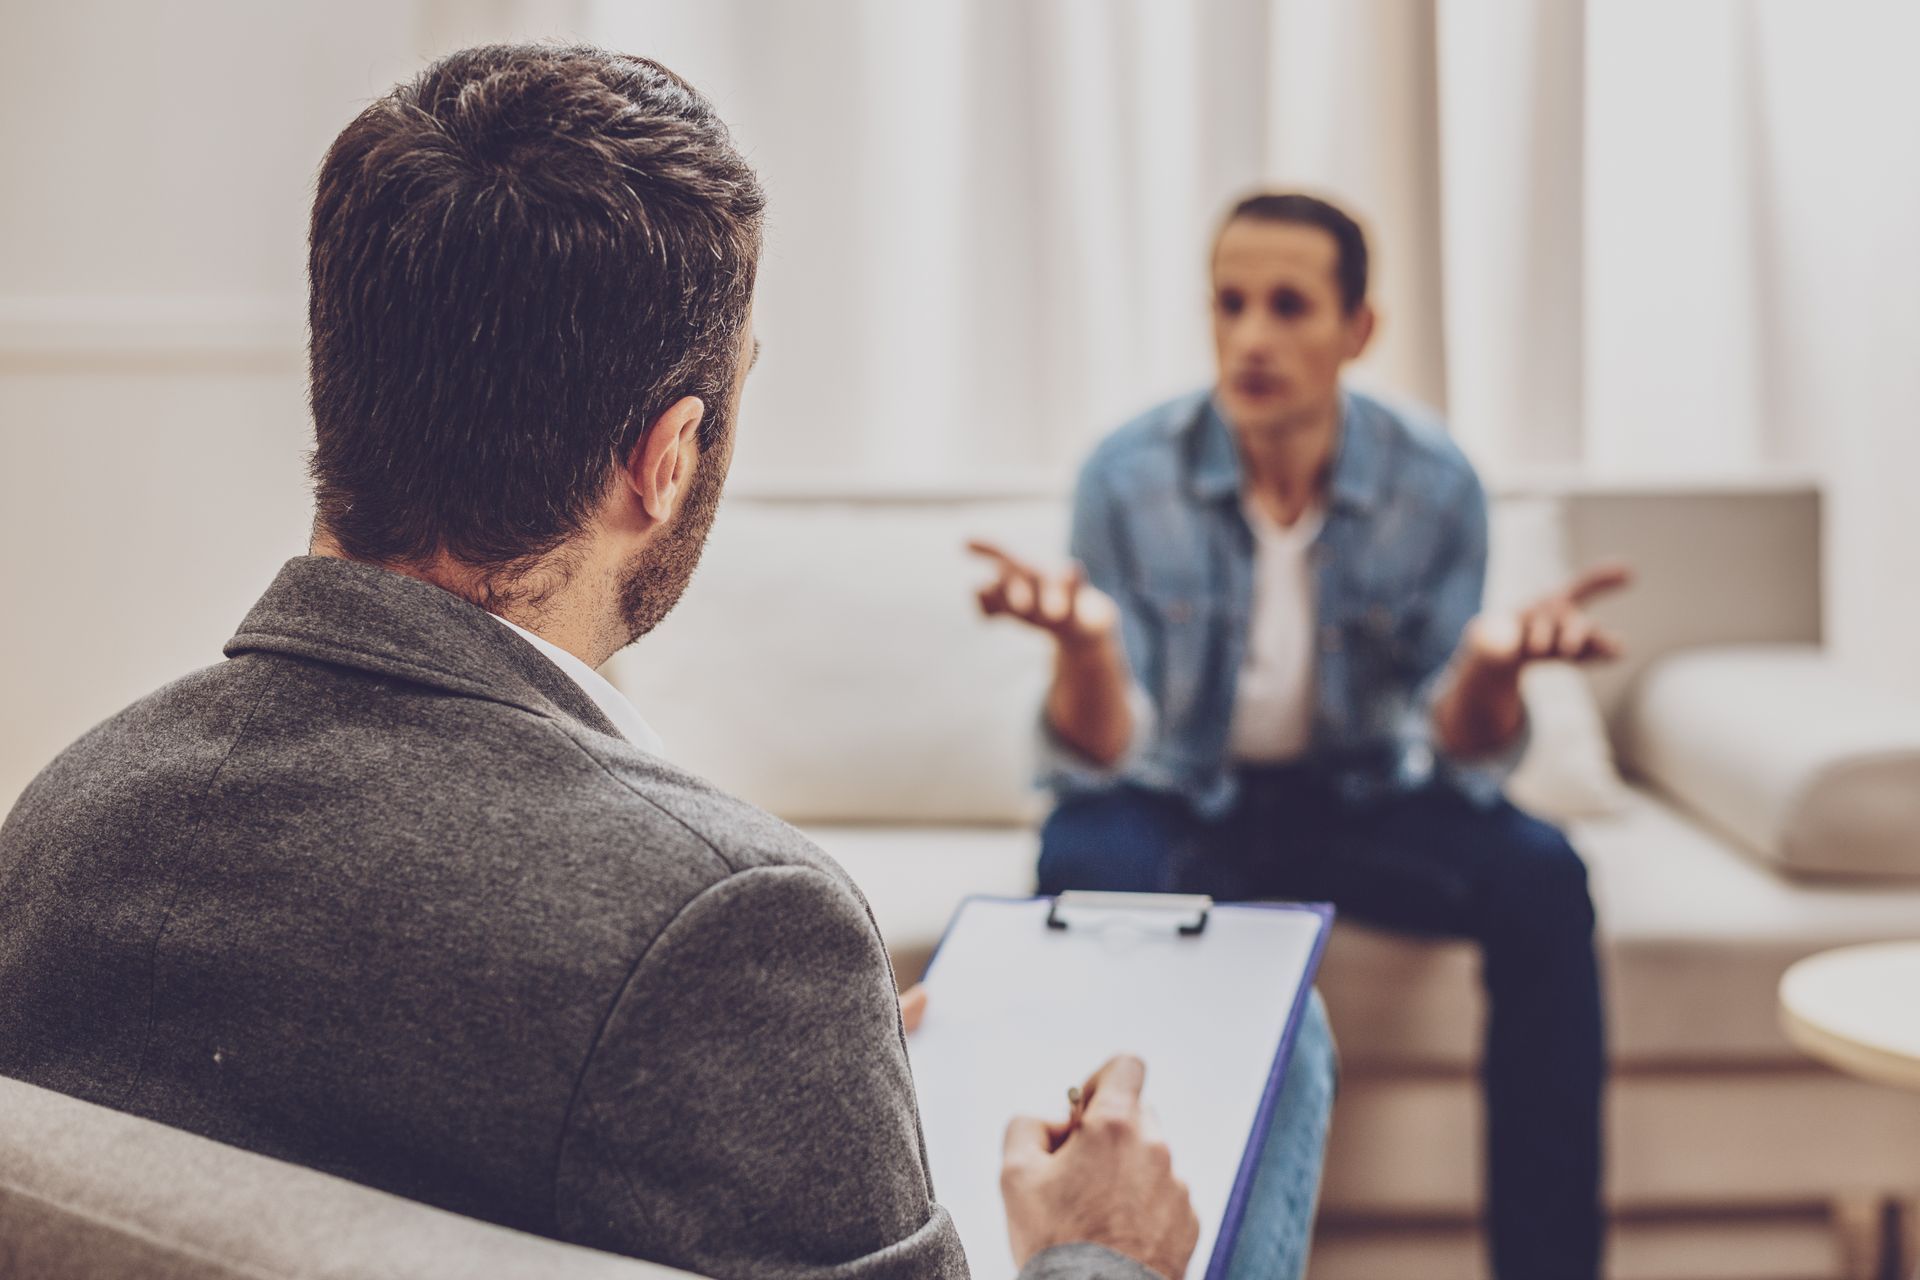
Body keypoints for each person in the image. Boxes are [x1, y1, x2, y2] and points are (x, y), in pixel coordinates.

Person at [0, 45, 1232, 1280]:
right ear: (667, 455)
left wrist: (799, 1087)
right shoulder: (735, 920)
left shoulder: (67, 817)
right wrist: (1103, 1252)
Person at [970, 191, 1627, 1280]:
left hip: (1359, 800)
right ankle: (1095, 1260)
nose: (1252, 337)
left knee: (1546, 875)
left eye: (1288, 305)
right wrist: (1085, 650)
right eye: (1230, 303)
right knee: (1082, 857)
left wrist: (1493, 670)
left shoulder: (1436, 485)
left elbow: (1460, 754)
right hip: (1181, 800)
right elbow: (1101, 753)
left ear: (1358, 328)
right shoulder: (1126, 477)